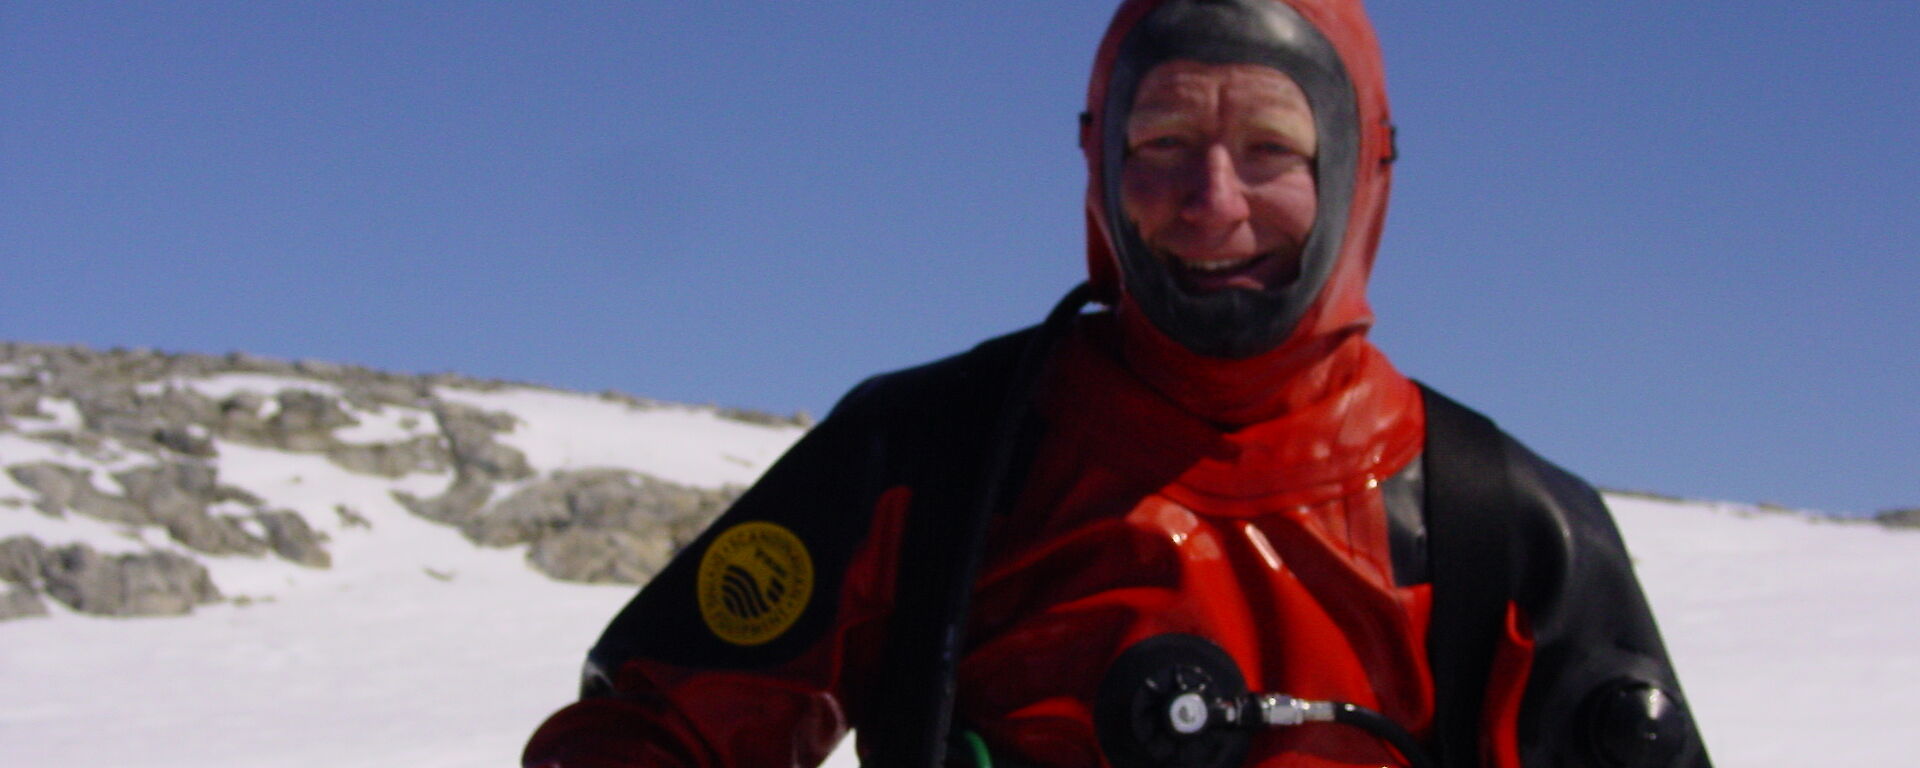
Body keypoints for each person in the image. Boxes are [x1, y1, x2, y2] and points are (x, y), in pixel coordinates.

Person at [523, 1, 1710, 766]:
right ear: (1095, 164)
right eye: (1160, 147)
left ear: (1365, 167)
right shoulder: (930, 458)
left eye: (1271, 152)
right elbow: (648, 728)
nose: (1213, 204)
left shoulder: (1508, 534)